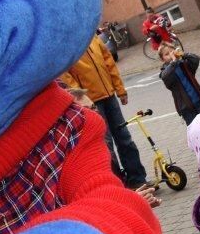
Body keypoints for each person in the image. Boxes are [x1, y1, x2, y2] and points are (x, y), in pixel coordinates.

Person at [60, 36, 149, 188]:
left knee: (125, 138)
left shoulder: (93, 38)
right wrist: (83, 98)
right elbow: (66, 76)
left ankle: (138, 179)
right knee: (106, 146)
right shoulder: (65, 43)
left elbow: (109, 62)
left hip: (109, 96)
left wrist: (120, 89)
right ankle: (119, 186)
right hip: (92, 102)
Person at [158, 42, 200, 125]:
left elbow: (196, 59)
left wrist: (183, 54)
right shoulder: (165, 72)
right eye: (167, 54)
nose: (170, 54)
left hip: (198, 101)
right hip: (185, 107)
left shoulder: (183, 64)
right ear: (163, 59)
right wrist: (173, 62)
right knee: (194, 129)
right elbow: (165, 76)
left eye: (171, 51)